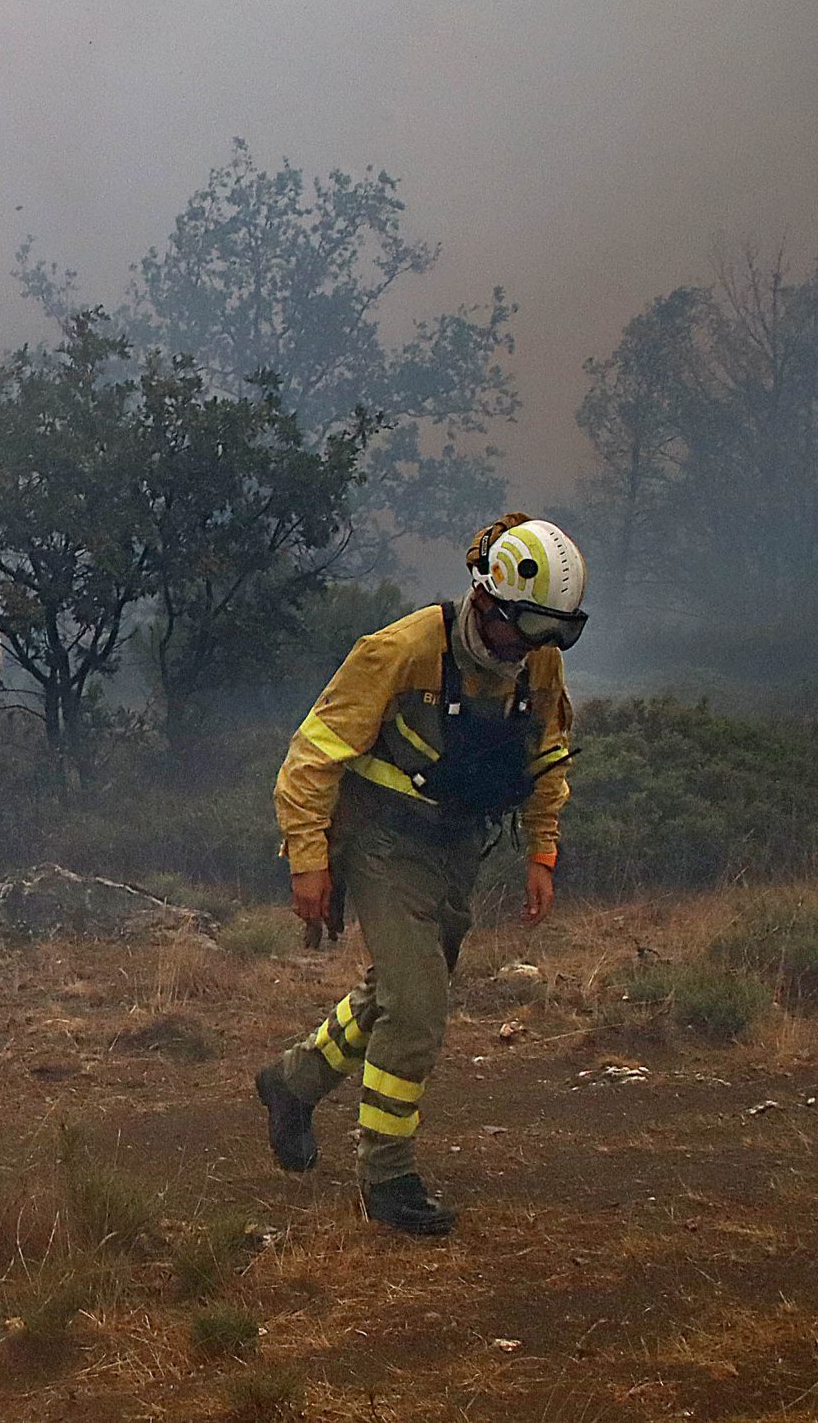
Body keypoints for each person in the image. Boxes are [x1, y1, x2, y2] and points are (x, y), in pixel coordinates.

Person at [252, 514, 587, 1234]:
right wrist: (308, 860)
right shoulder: (402, 649)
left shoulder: (538, 661)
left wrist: (542, 849)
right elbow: (311, 757)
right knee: (418, 1007)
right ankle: (388, 1176)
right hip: (381, 842)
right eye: (526, 627)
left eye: (553, 633)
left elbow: (547, 755)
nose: (535, 647)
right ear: (489, 600)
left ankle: (292, 1082)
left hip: (457, 848)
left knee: (397, 990)